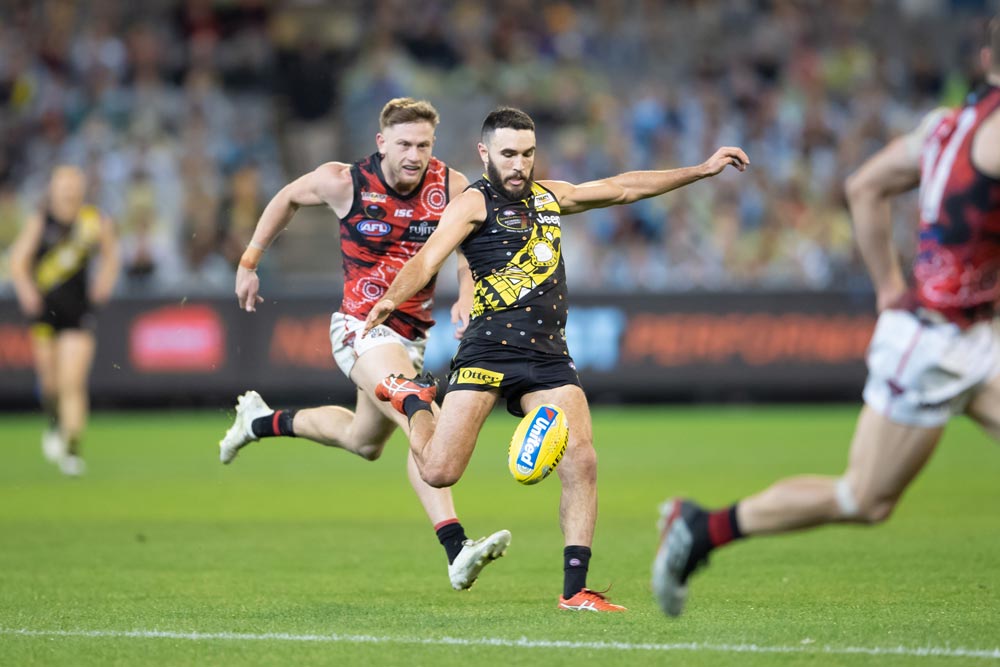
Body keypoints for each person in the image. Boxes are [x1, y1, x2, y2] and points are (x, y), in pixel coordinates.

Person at [652, 15, 1000, 618]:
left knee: (864, 499)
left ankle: (703, 527)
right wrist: (895, 292)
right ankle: (702, 527)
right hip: (940, 343)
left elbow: (864, 185)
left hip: (966, 332)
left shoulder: (944, 126)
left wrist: (890, 287)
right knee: (862, 499)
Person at [365, 107, 749, 611]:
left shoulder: (549, 196)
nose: (519, 164)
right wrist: (393, 297)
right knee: (439, 471)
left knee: (582, 459)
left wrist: (698, 170)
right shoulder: (471, 204)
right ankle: (415, 402)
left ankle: (575, 590)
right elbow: (427, 259)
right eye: (508, 154)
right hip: (487, 349)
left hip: (547, 356)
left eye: (527, 154)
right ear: (485, 154)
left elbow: (623, 187)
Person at [218, 98, 510, 591]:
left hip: (411, 337)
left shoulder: (452, 186)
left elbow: (467, 247)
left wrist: (466, 292)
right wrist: (249, 262)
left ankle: (259, 422)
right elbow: (286, 197)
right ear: (382, 143)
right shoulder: (344, 181)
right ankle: (457, 549)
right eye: (404, 144)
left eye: (423, 144)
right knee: (425, 420)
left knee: (364, 441)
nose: (414, 154)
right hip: (358, 329)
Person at [9, 165, 120, 476]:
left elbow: (112, 256)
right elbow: (18, 261)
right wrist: (27, 291)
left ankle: (72, 449)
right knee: (50, 385)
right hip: (45, 312)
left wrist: (105, 282)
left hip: (78, 312)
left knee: (72, 382)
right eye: (63, 185)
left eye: (74, 185)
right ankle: (54, 422)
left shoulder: (94, 221)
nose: (69, 191)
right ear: (53, 189)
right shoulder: (40, 221)